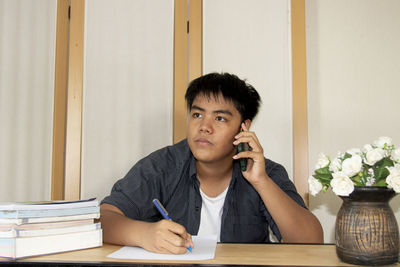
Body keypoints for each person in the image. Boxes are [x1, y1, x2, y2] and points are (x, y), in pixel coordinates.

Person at [100, 72, 323, 254]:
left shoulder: (266, 172)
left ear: (243, 127)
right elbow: (104, 217)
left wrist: (262, 182)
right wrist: (144, 234)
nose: (204, 127)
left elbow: (311, 243)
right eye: (197, 115)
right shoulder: (162, 165)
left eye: (220, 118)